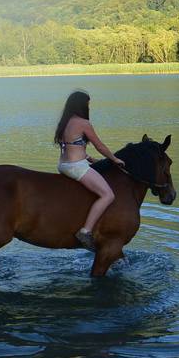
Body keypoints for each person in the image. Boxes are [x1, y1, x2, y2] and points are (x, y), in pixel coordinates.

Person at [54, 90, 125, 251]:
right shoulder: (83, 123)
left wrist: (88, 158)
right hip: (75, 166)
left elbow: (72, 145)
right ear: (81, 105)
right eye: (87, 104)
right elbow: (100, 145)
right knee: (108, 195)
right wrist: (114, 159)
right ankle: (85, 231)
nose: (88, 107)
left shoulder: (65, 121)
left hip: (64, 165)